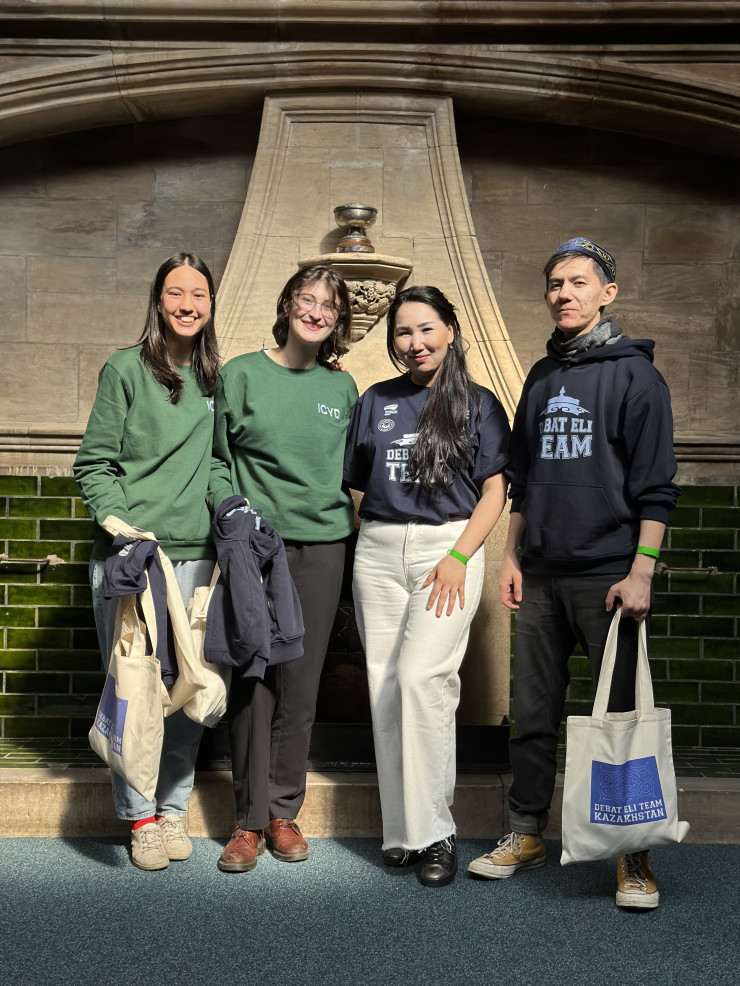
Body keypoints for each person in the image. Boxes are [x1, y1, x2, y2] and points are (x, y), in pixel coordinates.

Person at [467, 237, 680, 909]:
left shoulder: (637, 377)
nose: (564, 293)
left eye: (579, 282)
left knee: (619, 718)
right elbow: (523, 480)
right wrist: (510, 556)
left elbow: (657, 489)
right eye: (556, 283)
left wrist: (641, 573)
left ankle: (631, 854)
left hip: (610, 576)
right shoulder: (540, 377)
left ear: (606, 294)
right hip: (541, 575)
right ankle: (526, 832)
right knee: (532, 716)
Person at [343, 285, 510, 888]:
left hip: (449, 548)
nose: (414, 343)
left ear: (450, 331)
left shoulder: (479, 404)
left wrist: (459, 555)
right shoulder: (376, 399)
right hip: (379, 550)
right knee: (386, 688)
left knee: (422, 680)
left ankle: (437, 832)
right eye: (403, 332)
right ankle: (402, 831)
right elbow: (358, 481)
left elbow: (495, 490)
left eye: (426, 329)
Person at [207, 264, 357, 872]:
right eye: (307, 299)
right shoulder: (241, 374)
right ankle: (247, 822)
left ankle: (283, 812)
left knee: (301, 680)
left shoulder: (342, 389)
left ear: (338, 320)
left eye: (329, 305)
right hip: (255, 547)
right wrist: (233, 512)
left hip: (323, 547)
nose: (316, 311)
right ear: (288, 304)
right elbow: (215, 460)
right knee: (253, 679)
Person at [74, 252, 220, 870]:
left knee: (187, 689)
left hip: (197, 559)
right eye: (175, 293)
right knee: (135, 691)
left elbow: (217, 463)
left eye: (198, 294)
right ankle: (139, 818)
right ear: (158, 301)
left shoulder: (215, 380)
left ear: (210, 304)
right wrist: (122, 528)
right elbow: (94, 463)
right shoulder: (125, 369)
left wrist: (231, 510)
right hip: (133, 560)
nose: (187, 304)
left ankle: (172, 809)